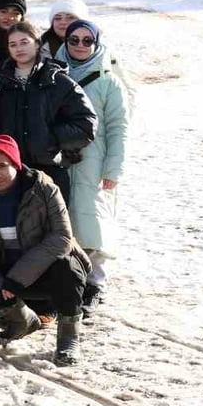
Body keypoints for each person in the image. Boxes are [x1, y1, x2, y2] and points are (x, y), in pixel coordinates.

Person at [0, 135, 90, 366]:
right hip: (6, 271)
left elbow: (61, 237)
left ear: (16, 164)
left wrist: (17, 278)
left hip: (42, 269)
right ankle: (20, 318)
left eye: (2, 166)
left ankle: (69, 337)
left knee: (68, 268)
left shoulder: (44, 188)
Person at [56, 19, 127, 315]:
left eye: (88, 40)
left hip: (93, 161)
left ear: (96, 44)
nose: (80, 46)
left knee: (92, 220)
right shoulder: (54, 73)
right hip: (60, 157)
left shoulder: (108, 80)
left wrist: (113, 169)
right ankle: (69, 280)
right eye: (74, 40)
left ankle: (96, 282)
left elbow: (118, 127)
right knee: (64, 219)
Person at [0, 21, 96, 202]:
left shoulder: (58, 82)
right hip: (9, 173)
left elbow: (86, 125)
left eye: (24, 42)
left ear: (37, 43)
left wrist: (50, 138)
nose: (19, 48)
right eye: (13, 44)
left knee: (53, 229)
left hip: (50, 174)